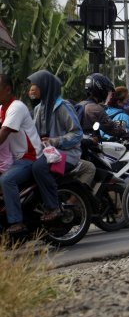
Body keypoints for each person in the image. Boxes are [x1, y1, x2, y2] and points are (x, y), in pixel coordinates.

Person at [27, 70, 83, 222]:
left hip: (68, 155)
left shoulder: (63, 107)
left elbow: (77, 133)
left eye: (35, 85)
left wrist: (55, 141)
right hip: (49, 153)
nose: (31, 89)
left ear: (46, 86)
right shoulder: (39, 109)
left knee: (39, 168)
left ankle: (54, 207)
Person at [0, 73, 43, 234]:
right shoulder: (2, 108)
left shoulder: (16, 107)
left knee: (7, 180)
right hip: (16, 158)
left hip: (30, 157)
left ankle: (16, 221)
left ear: (7, 89)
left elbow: (3, 133)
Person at [79, 73, 129, 141]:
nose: (107, 93)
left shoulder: (79, 105)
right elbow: (111, 128)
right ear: (100, 88)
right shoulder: (96, 109)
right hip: (88, 148)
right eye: (106, 90)